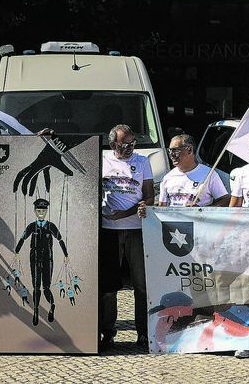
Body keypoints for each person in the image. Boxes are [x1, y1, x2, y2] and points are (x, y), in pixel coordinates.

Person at [100, 124, 154, 351]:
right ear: (113, 145)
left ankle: (143, 333)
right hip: (108, 230)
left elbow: (150, 197)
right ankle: (107, 333)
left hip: (136, 229)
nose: (131, 148)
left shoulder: (143, 162)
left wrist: (130, 212)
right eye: (125, 145)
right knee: (109, 286)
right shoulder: (102, 160)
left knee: (141, 285)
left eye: (133, 143)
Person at [140, 134, 229, 215]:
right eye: (169, 150)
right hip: (175, 230)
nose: (171, 154)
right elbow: (162, 208)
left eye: (175, 150)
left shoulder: (209, 174)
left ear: (189, 150)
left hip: (201, 228)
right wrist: (148, 212)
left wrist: (202, 210)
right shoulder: (168, 178)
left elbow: (225, 200)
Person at [14, 198, 68, 326]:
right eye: (38, 211)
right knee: (36, 287)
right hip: (34, 259)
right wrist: (16, 252)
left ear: (46, 211)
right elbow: (23, 238)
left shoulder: (51, 226)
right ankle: (36, 311)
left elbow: (60, 239)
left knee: (46, 288)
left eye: (43, 211)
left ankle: (52, 306)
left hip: (47, 259)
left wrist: (66, 255)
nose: (41, 213)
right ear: (35, 211)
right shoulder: (32, 226)